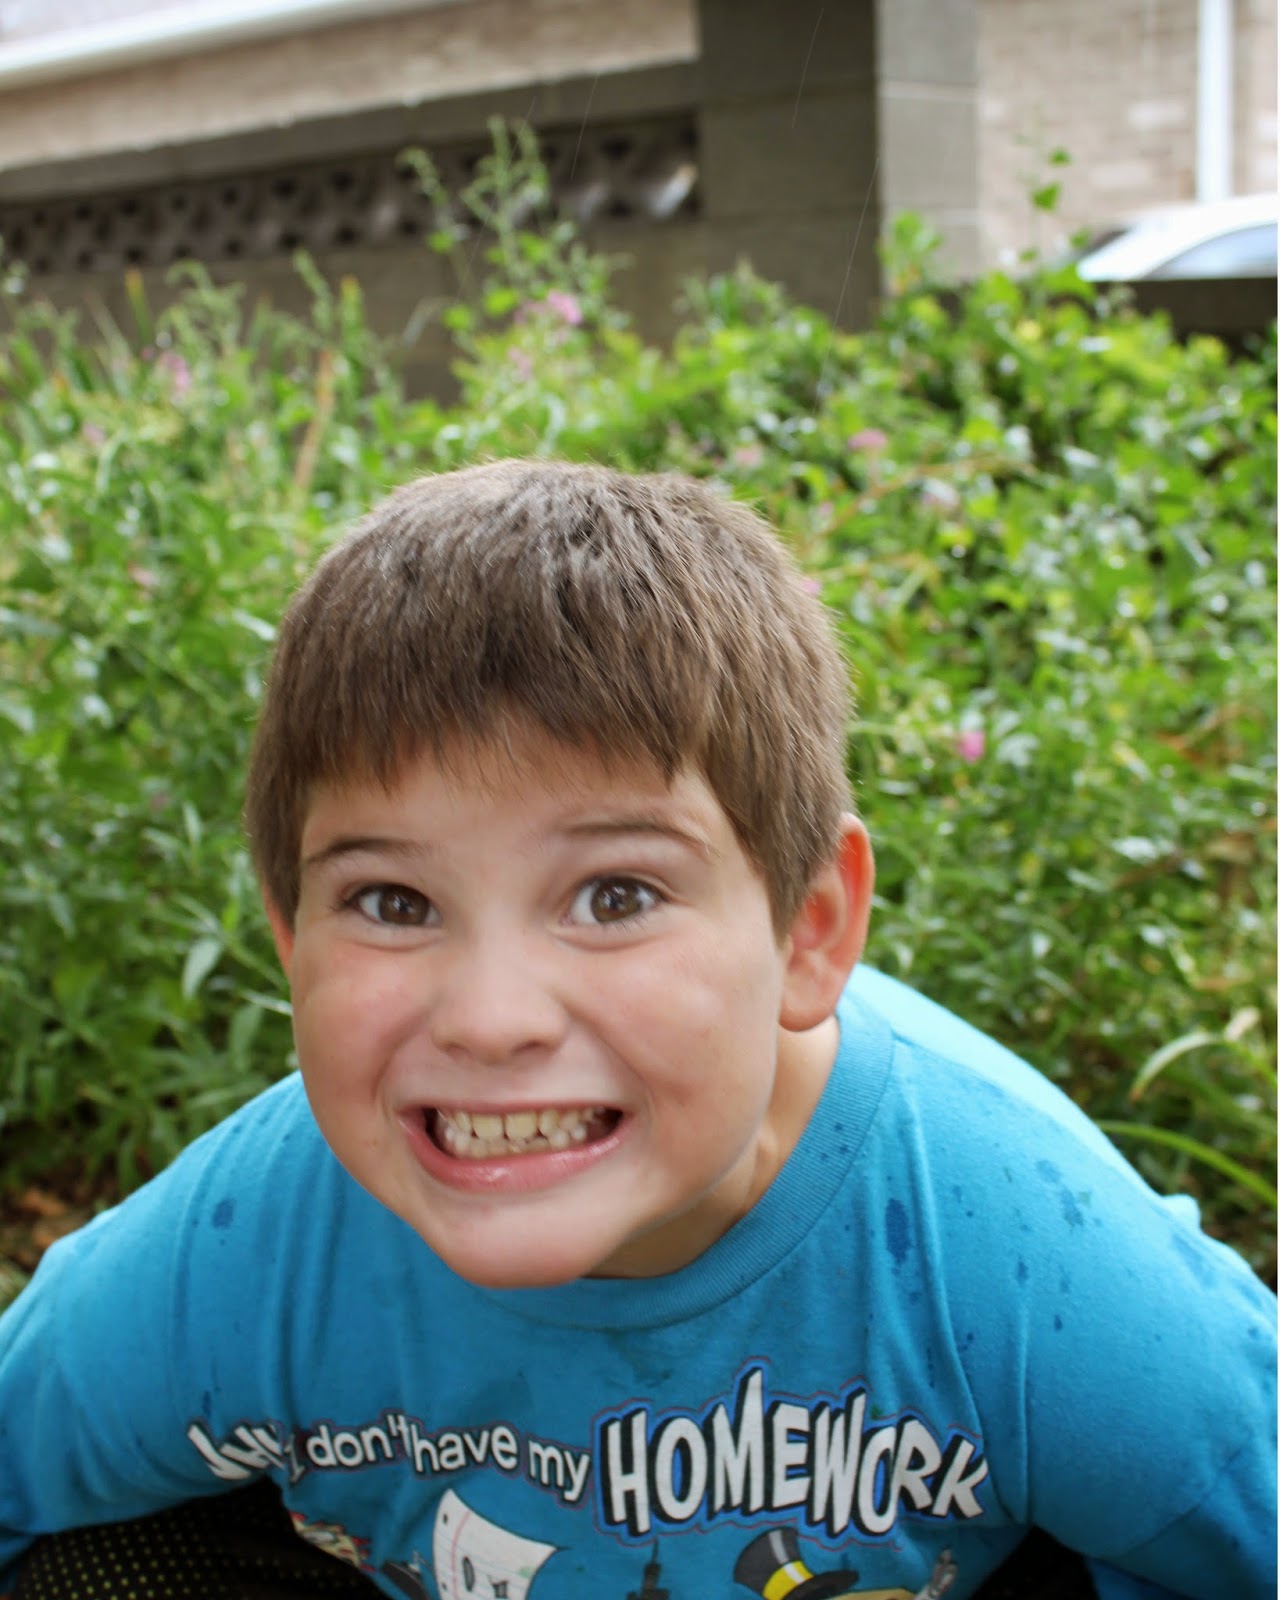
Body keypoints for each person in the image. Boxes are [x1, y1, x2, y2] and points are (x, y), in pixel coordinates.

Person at [0, 460, 1273, 1600]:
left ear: (808, 930)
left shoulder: (1029, 1266)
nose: (490, 1018)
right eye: (392, 902)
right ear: (291, 943)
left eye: (614, 896)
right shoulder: (252, 1247)